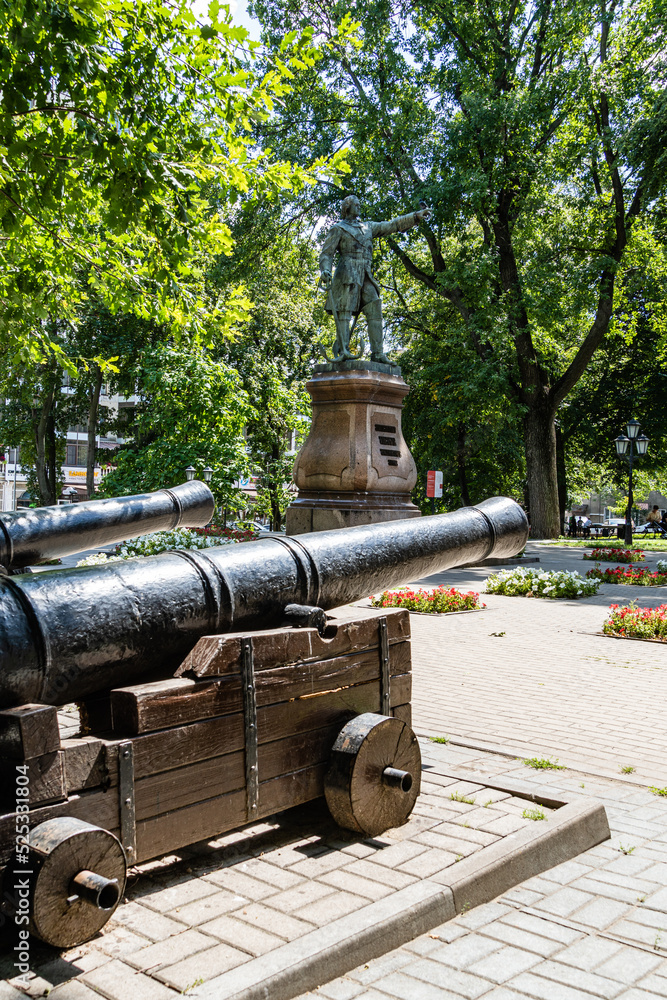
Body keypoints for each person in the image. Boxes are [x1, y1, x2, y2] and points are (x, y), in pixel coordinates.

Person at [319, 195, 431, 363]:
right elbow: (326, 253)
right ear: (347, 207)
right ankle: (343, 350)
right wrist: (325, 270)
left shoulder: (368, 227)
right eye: (355, 204)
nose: (359, 207)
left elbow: (392, 225)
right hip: (346, 273)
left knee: (374, 306)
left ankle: (377, 353)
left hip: (365, 274)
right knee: (344, 311)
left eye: (359, 204)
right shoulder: (338, 228)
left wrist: (415, 217)